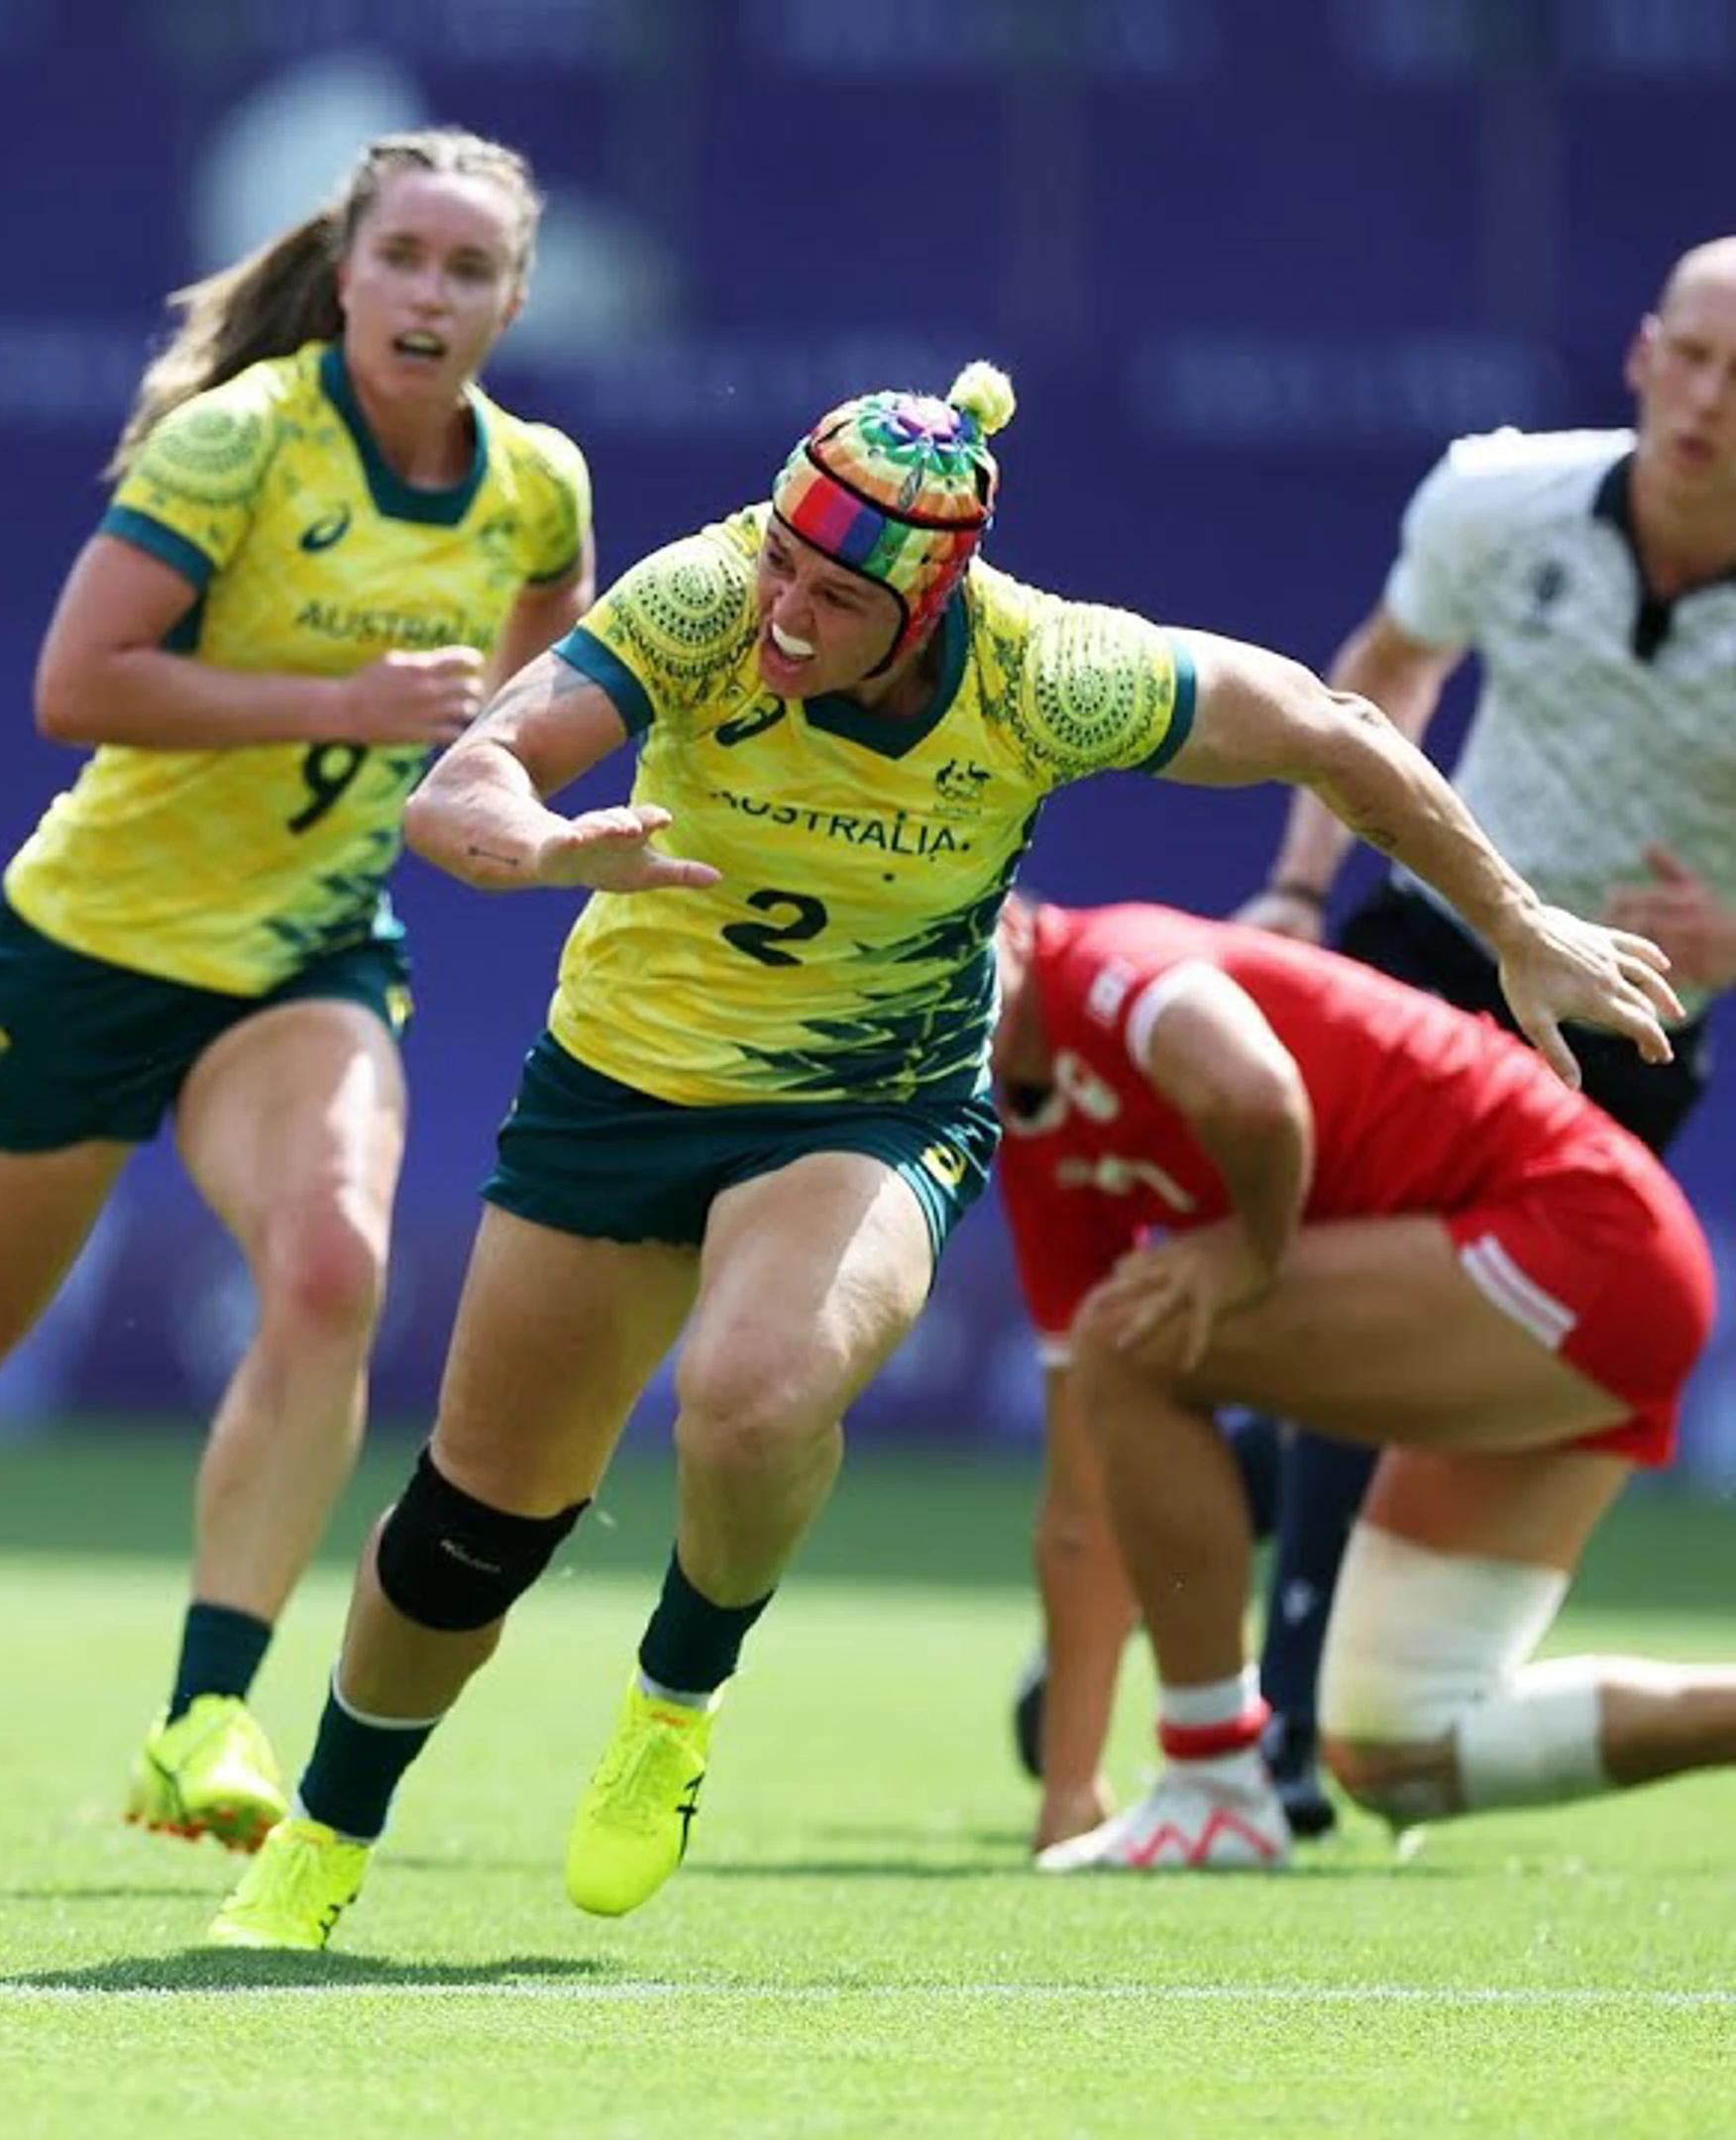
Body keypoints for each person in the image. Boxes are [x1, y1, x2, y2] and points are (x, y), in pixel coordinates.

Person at [200, 361, 1684, 1953]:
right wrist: (536, 841)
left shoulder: (1049, 677)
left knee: (753, 1394)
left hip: (873, 1100)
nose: (784, 612)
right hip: (617, 1090)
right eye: (780, 558)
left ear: (932, 602)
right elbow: (467, 783)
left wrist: (1518, 923)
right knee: (476, 1522)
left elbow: (1329, 726)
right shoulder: (702, 603)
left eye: (834, 596)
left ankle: (671, 1706)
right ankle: (325, 1841)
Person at [0, 130, 595, 1852]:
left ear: (512, 298)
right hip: (94, 945)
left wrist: (536, 807)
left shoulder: (534, 481)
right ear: (348, 269)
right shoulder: (243, 441)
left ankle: (202, 1720)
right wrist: (342, 706)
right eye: (406, 256)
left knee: (333, 1270)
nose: (433, 293)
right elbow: (74, 682)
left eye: (472, 270)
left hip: (309, 953)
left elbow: (553, 678)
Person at [1151, 234, 1736, 1846]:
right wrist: (1290, 883)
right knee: (1337, 1326)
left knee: (1423, 1362)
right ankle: (1268, 1730)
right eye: (1690, 357)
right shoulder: (1503, 496)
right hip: (1426, 947)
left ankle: (1206, 1603)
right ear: (1639, 354)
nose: (1709, 399)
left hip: (1625, 1024)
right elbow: (1385, 676)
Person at [991, 899, 1731, 1872]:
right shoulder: (1028, 1120)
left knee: (1130, 1342)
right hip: (1550, 1298)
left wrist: (1252, 1256)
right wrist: (1068, 1799)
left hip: (1581, 1247)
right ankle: (1212, 1790)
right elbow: (1082, 1500)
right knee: (1397, 1748)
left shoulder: (1113, 966)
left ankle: (1215, 1784)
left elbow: (1255, 1096)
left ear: (996, 920)